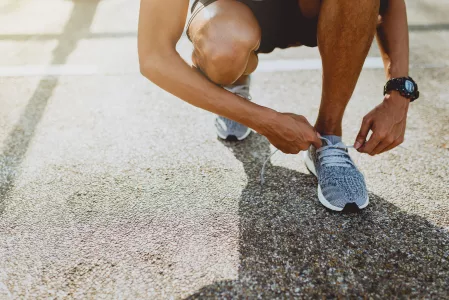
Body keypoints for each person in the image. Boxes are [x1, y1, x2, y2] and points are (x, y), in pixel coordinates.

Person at [137, 0, 420, 212]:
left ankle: (328, 137)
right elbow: (155, 55)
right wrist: (262, 120)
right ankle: (233, 87)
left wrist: (398, 93)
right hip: (232, 12)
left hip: (317, 8)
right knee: (224, 47)